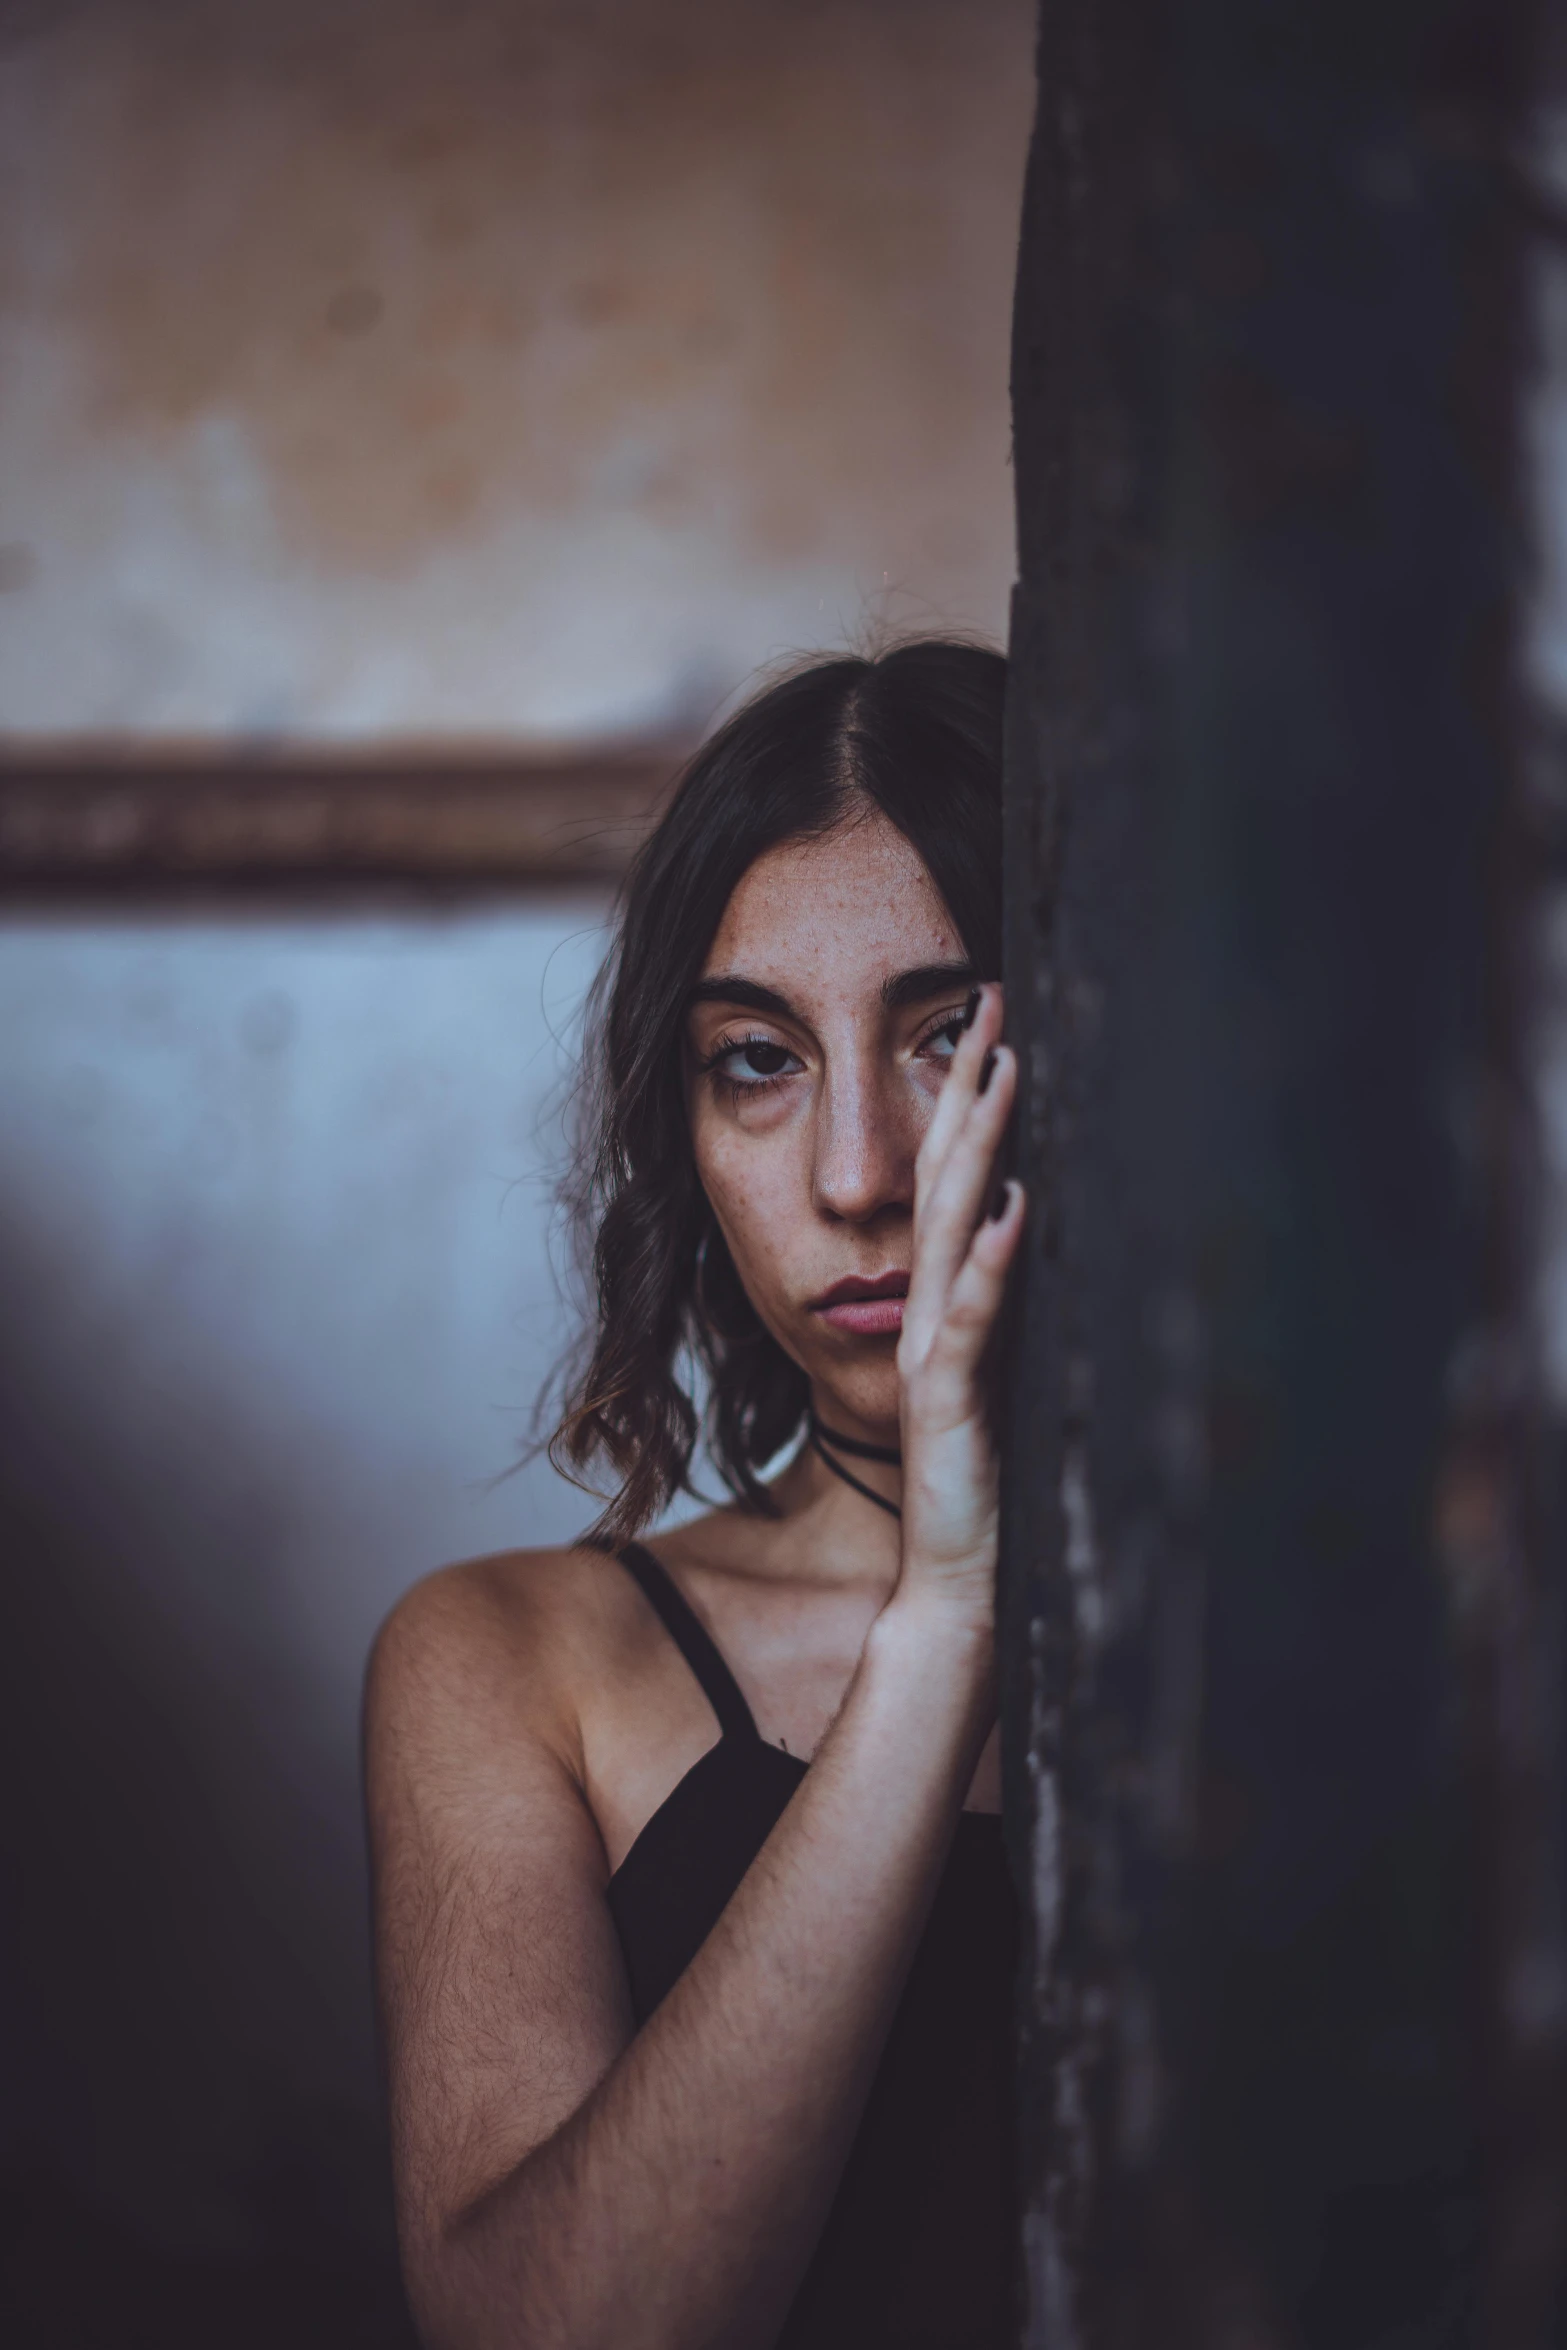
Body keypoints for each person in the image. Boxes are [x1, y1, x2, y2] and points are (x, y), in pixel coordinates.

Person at [365, 638, 1025, 2350]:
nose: (857, 1173)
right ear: (684, 1130)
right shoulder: (514, 1658)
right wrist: (942, 1616)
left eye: (946, 1036)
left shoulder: (1390, 1605)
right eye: (759, 1058)